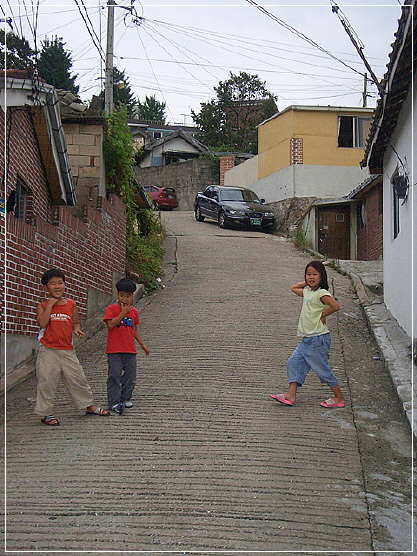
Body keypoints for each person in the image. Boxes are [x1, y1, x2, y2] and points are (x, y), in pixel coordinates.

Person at [35, 269, 110, 426]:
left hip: (68, 350)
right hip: (48, 350)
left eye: (60, 283)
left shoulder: (71, 304)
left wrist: (76, 328)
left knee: (77, 378)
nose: (57, 286)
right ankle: (46, 413)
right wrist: (50, 305)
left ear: (64, 285)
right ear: (45, 287)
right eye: (52, 284)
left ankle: (88, 406)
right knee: (47, 381)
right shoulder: (42, 306)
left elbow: (75, 321)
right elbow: (42, 323)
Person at [270, 260, 345, 408]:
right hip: (307, 339)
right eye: (308, 274)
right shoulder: (308, 292)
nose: (311, 277)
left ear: (322, 276)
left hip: (318, 338)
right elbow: (293, 288)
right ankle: (291, 395)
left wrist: (324, 314)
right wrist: (307, 282)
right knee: (293, 362)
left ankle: (339, 397)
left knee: (322, 369)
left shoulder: (322, 293)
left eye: (315, 274)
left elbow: (335, 306)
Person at [103, 278, 150, 414]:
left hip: (130, 350)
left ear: (132, 296)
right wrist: (122, 314)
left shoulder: (134, 312)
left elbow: (134, 330)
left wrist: (142, 345)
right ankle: (113, 401)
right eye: (122, 295)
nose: (124, 299)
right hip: (114, 350)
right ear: (117, 294)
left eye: (128, 296)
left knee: (130, 377)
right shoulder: (111, 309)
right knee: (114, 376)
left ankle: (125, 399)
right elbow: (110, 324)